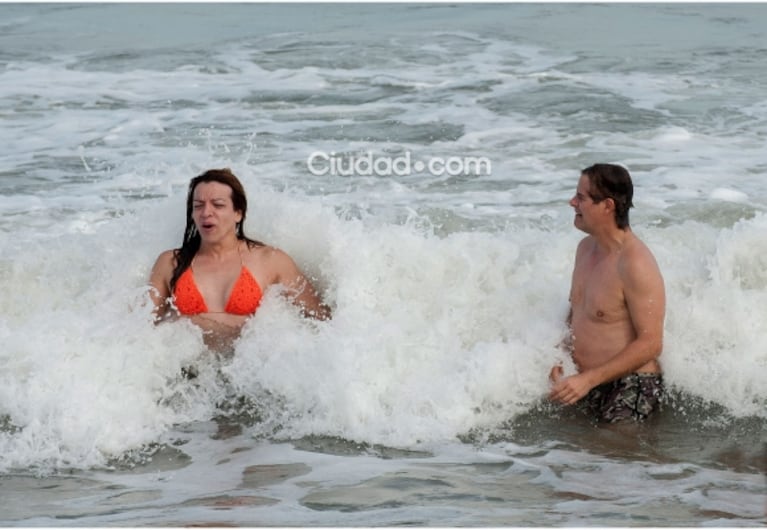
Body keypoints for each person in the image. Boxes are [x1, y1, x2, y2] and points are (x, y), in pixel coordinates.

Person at [149, 168, 331, 351]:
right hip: (189, 373)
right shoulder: (171, 263)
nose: (206, 212)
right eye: (198, 206)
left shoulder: (271, 260)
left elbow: (321, 320)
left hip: (250, 373)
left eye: (218, 205)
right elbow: (140, 328)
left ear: (238, 213)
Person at [549, 163, 665, 422]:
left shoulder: (635, 263)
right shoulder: (585, 249)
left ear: (608, 206)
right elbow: (577, 312)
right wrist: (559, 359)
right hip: (587, 382)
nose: (572, 202)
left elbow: (651, 343)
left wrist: (588, 380)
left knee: (613, 454)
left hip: (632, 384)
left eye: (581, 197)